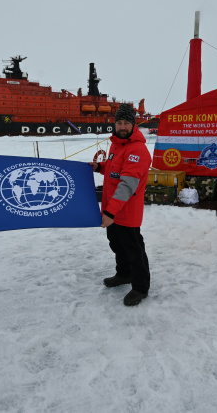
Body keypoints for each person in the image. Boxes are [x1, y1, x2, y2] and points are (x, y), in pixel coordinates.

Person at [88, 104, 152, 306]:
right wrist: (100, 167)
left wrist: (109, 212)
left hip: (126, 212)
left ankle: (141, 287)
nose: (122, 126)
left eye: (126, 123)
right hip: (113, 210)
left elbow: (126, 185)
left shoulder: (137, 150)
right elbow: (115, 168)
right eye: (119, 122)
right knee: (116, 244)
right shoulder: (117, 145)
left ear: (133, 125)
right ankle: (124, 274)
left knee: (134, 250)